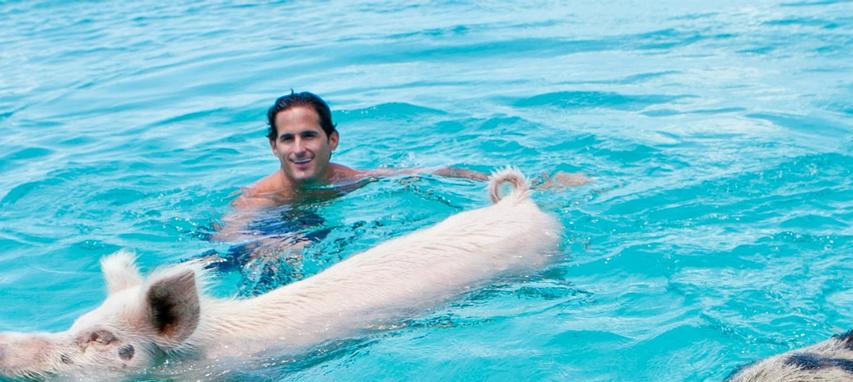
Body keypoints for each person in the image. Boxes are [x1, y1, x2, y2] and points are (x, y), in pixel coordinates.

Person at [215, 91, 588, 257]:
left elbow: (434, 171)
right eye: (288, 138)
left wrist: (537, 186)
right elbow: (228, 239)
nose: (299, 148)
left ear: (333, 140)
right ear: (273, 147)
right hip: (271, 231)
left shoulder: (350, 179)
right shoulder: (259, 198)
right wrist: (264, 246)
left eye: (309, 135)